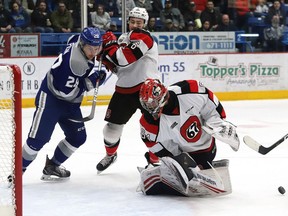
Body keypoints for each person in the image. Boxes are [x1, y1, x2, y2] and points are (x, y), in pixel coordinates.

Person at [22, 27, 106, 181]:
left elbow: (87, 45)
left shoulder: (77, 40)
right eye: (90, 48)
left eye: (97, 47)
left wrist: (105, 43)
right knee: (38, 140)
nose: (94, 52)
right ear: (82, 44)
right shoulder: (76, 64)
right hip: (52, 98)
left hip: (70, 103)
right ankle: (17, 170)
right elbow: (66, 92)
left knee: (78, 137)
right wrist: (92, 81)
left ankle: (52, 166)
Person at [137, 78, 240, 196]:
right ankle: (155, 169)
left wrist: (219, 124)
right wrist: (179, 161)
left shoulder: (189, 89)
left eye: (152, 103)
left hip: (207, 149)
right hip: (182, 153)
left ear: (162, 97)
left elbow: (211, 107)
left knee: (195, 185)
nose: (149, 108)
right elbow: (154, 144)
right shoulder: (148, 123)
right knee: (159, 185)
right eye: (146, 104)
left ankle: (200, 166)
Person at [96, 7, 160, 173]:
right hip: (123, 90)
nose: (135, 25)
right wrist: (107, 61)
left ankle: (155, 162)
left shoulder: (144, 37)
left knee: (153, 128)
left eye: (139, 22)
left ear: (144, 23)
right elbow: (120, 67)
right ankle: (110, 155)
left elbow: (123, 59)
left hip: (147, 90)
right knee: (110, 130)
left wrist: (109, 47)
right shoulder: (124, 38)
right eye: (132, 22)